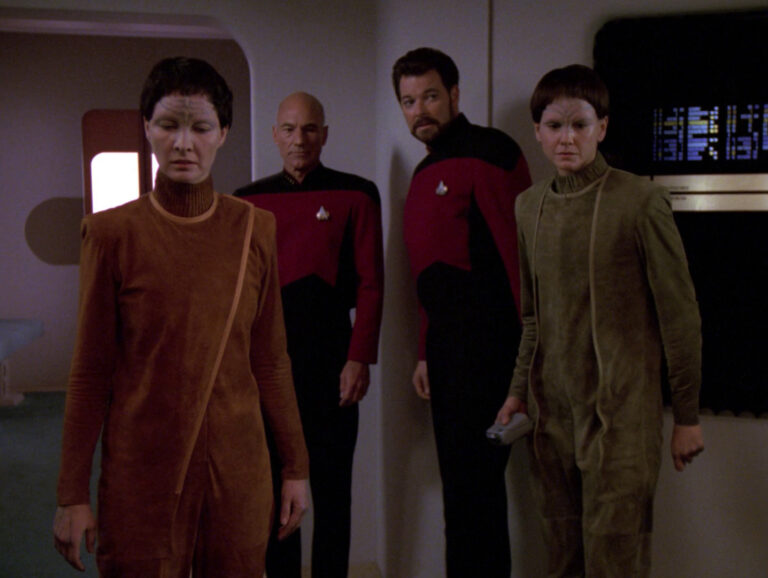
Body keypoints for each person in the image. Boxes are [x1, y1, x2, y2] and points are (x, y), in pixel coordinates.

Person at [53, 57, 309, 577]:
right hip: (142, 467)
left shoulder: (253, 229)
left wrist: (296, 468)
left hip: (237, 466)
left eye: (201, 127)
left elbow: (270, 360)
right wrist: (71, 494)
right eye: (169, 125)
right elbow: (90, 372)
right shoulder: (110, 234)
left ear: (224, 133)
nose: (184, 143)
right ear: (148, 127)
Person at [496, 64, 705, 577]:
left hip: (621, 418)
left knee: (616, 561)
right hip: (550, 419)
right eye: (554, 125)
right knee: (562, 557)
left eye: (580, 124)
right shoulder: (528, 208)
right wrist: (518, 391)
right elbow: (532, 317)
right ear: (538, 131)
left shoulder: (640, 201)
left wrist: (687, 416)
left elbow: (679, 316)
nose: (566, 138)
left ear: (602, 127)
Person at [392, 47, 532, 577]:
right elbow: (431, 276)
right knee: (460, 493)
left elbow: (519, 263)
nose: (420, 110)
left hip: (492, 351)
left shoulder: (493, 151)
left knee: (479, 494)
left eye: (430, 96)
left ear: (454, 94)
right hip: (446, 356)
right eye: (409, 101)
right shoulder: (424, 171)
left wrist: (528, 365)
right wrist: (425, 352)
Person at [235, 92, 384, 578]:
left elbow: (372, 282)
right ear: (275, 135)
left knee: (333, 488)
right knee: (278, 488)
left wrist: (360, 357)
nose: (299, 140)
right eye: (289, 129)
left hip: (334, 359)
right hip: (270, 364)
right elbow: (239, 292)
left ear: (325, 134)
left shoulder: (357, 193)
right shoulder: (246, 201)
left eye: (310, 129)